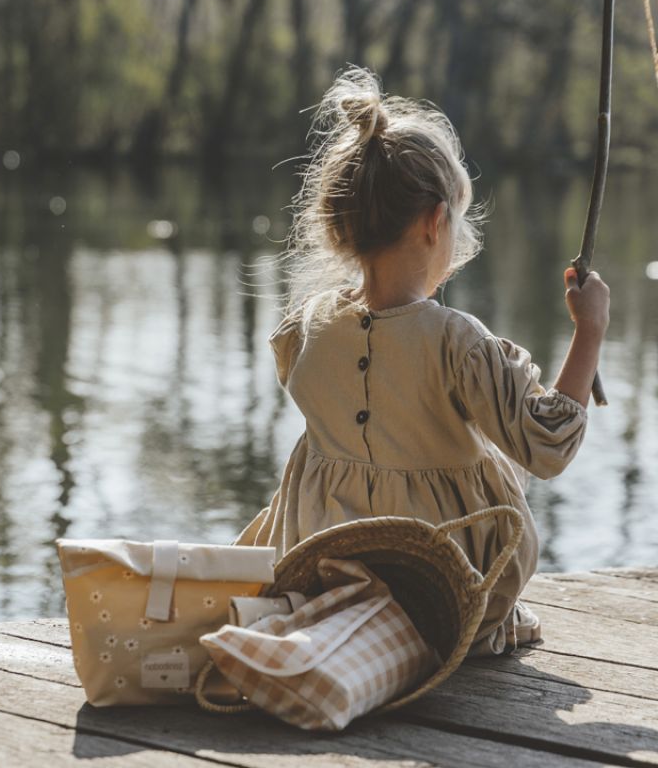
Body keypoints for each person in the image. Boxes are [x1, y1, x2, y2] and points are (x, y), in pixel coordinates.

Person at [232, 66, 610, 656]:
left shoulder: (308, 327)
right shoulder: (455, 342)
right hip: (443, 590)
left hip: (329, 571)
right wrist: (589, 332)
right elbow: (546, 444)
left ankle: (355, 623)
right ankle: (452, 629)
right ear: (437, 223)